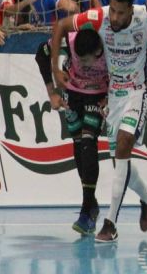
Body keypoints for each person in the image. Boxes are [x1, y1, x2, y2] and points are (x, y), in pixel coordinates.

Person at [51, 0, 147, 243]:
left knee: (123, 145)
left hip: (140, 89)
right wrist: (55, 69)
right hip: (113, 95)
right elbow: (61, 26)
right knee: (120, 161)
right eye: (113, 10)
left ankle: (110, 224)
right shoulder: (99, 17)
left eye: (121, 12)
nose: (115, 17)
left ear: (131, 9)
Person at [35, 28, 109, 233]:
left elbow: (127, 70)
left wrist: (110, 96)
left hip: (98, 95)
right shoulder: (69, 40)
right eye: (79, 60)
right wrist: (52, 93)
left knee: (88, 142)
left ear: (97, 52)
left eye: (86, 61)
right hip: (73, 93)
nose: (82, 65)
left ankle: (86, 211)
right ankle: (92, 203)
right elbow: (41, 54)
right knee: (78, 144)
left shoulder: (110, 44)